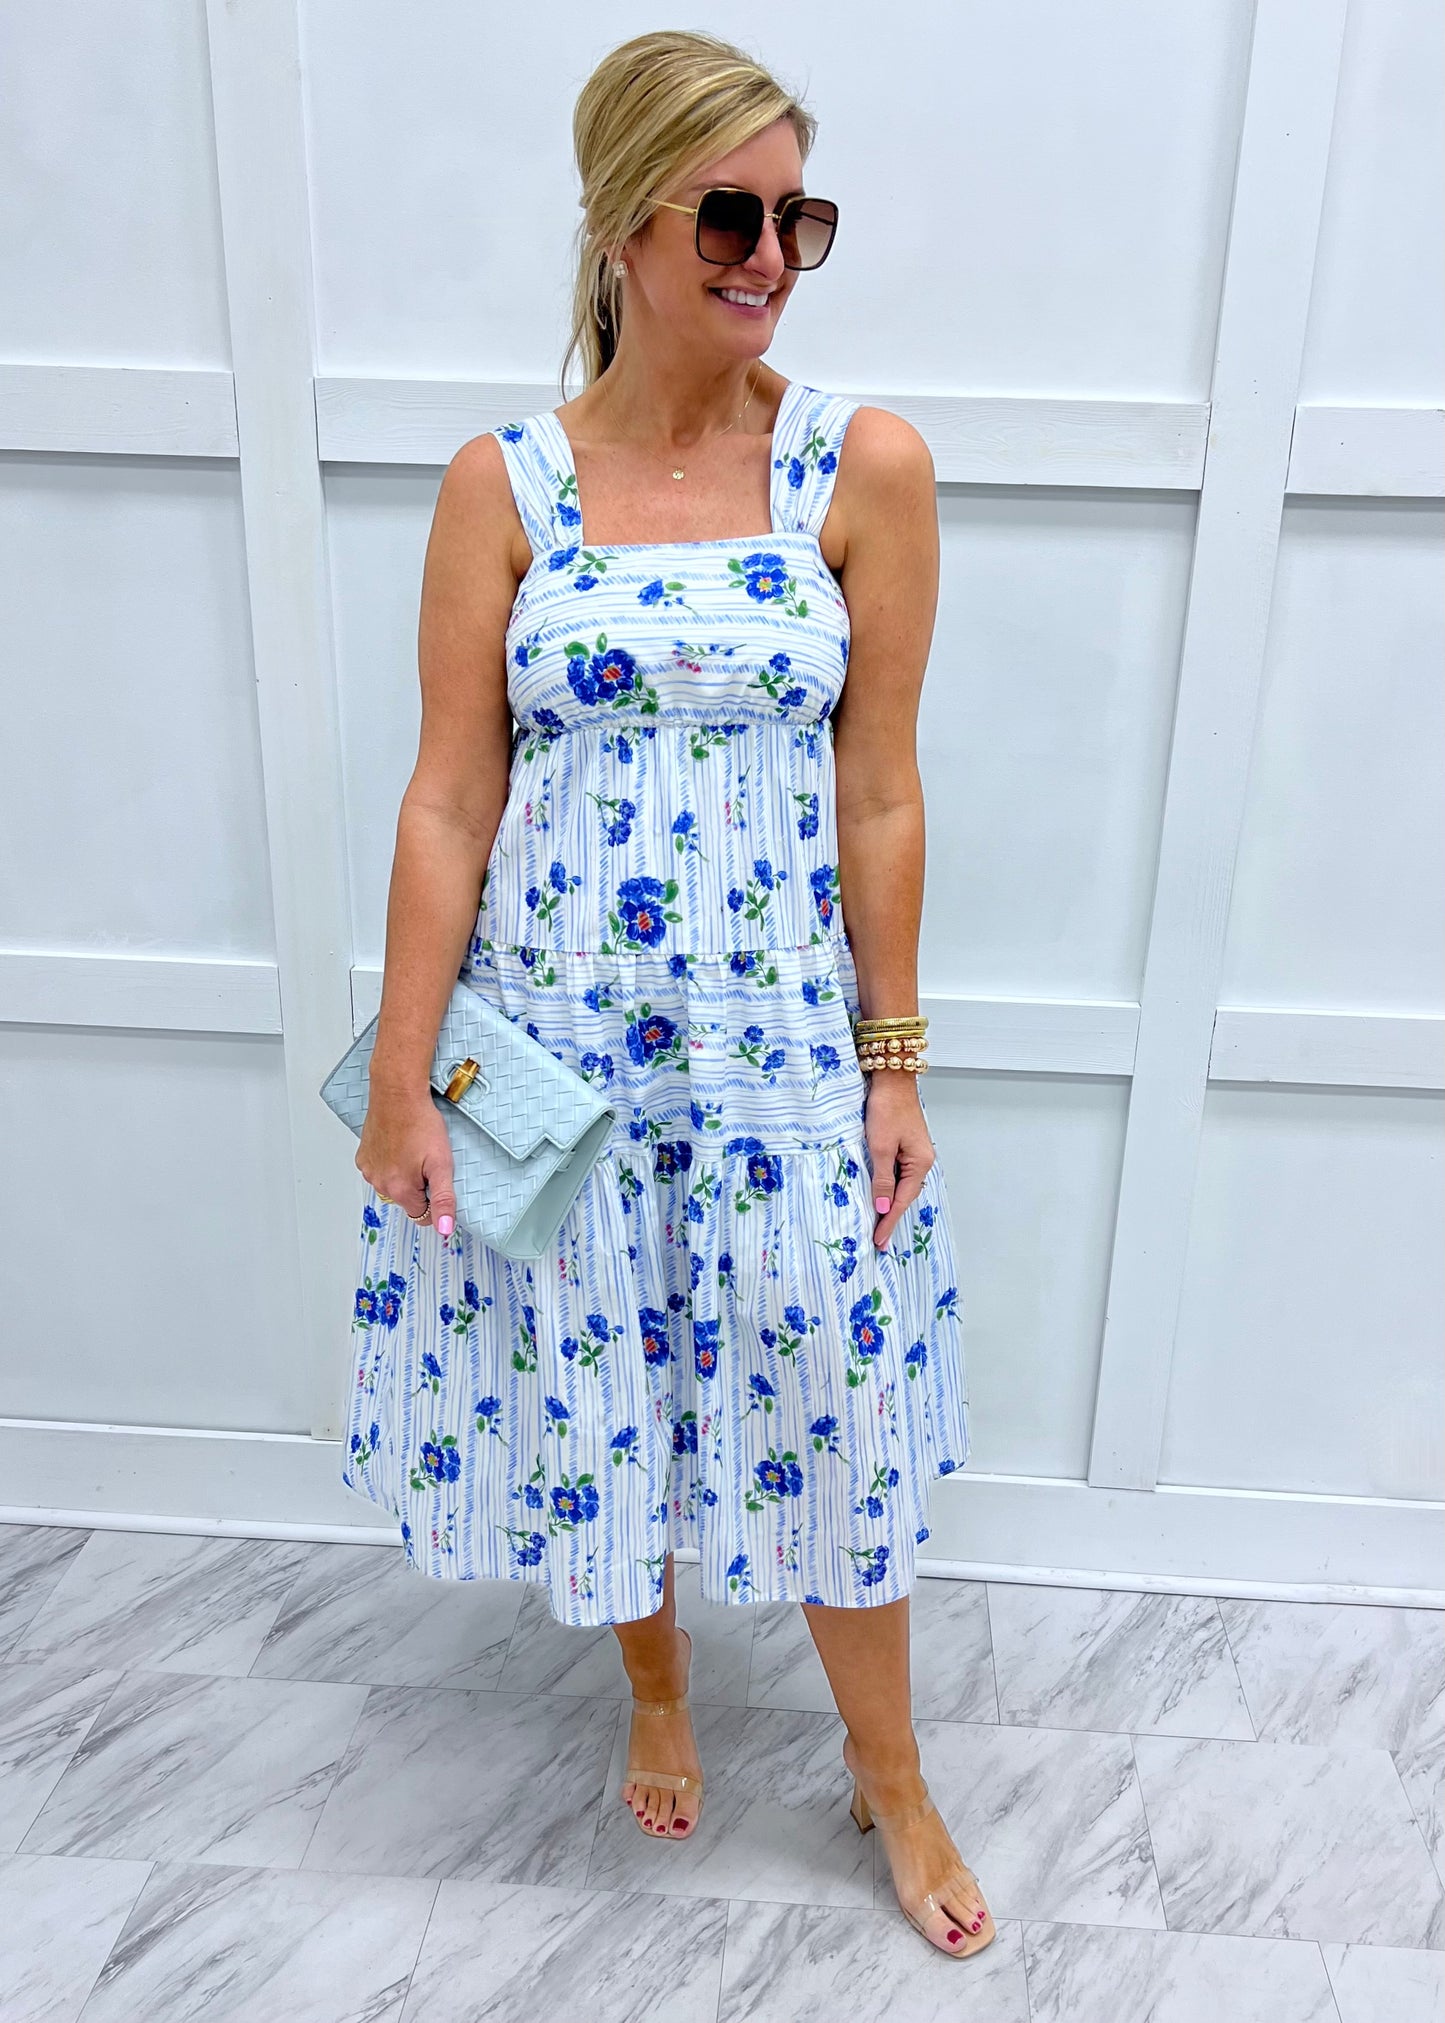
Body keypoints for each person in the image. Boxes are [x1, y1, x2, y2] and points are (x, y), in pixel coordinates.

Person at [342, 28, 991, 1960]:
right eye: (728, 214)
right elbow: (448, 797)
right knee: (600, 1379)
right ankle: (652, 1686)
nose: (769, 254)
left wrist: (890, 1061)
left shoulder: (861, 467)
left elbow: (880, 791)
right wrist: (404, 1079)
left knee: (827, 1400)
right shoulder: (505, 484)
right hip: (555, 1045)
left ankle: (889, 1772)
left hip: (779, 1057)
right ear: (622, 223)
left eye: (798, 216)